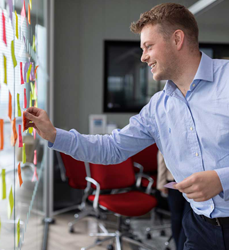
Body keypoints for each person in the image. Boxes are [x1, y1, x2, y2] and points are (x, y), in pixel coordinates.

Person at [24, 3, 229, 250]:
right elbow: (112, 148)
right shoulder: (157, 108)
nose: (143, 56)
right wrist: (54, 134)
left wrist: (222, 179)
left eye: (148, 46)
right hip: (200, 227)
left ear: (177, 39)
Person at [157, 150, 189, 250]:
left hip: (193, 180)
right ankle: (178, 247)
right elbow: (162, 153)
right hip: (173, 180)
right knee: (176, 217)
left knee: (188, 218)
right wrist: (161, 182)